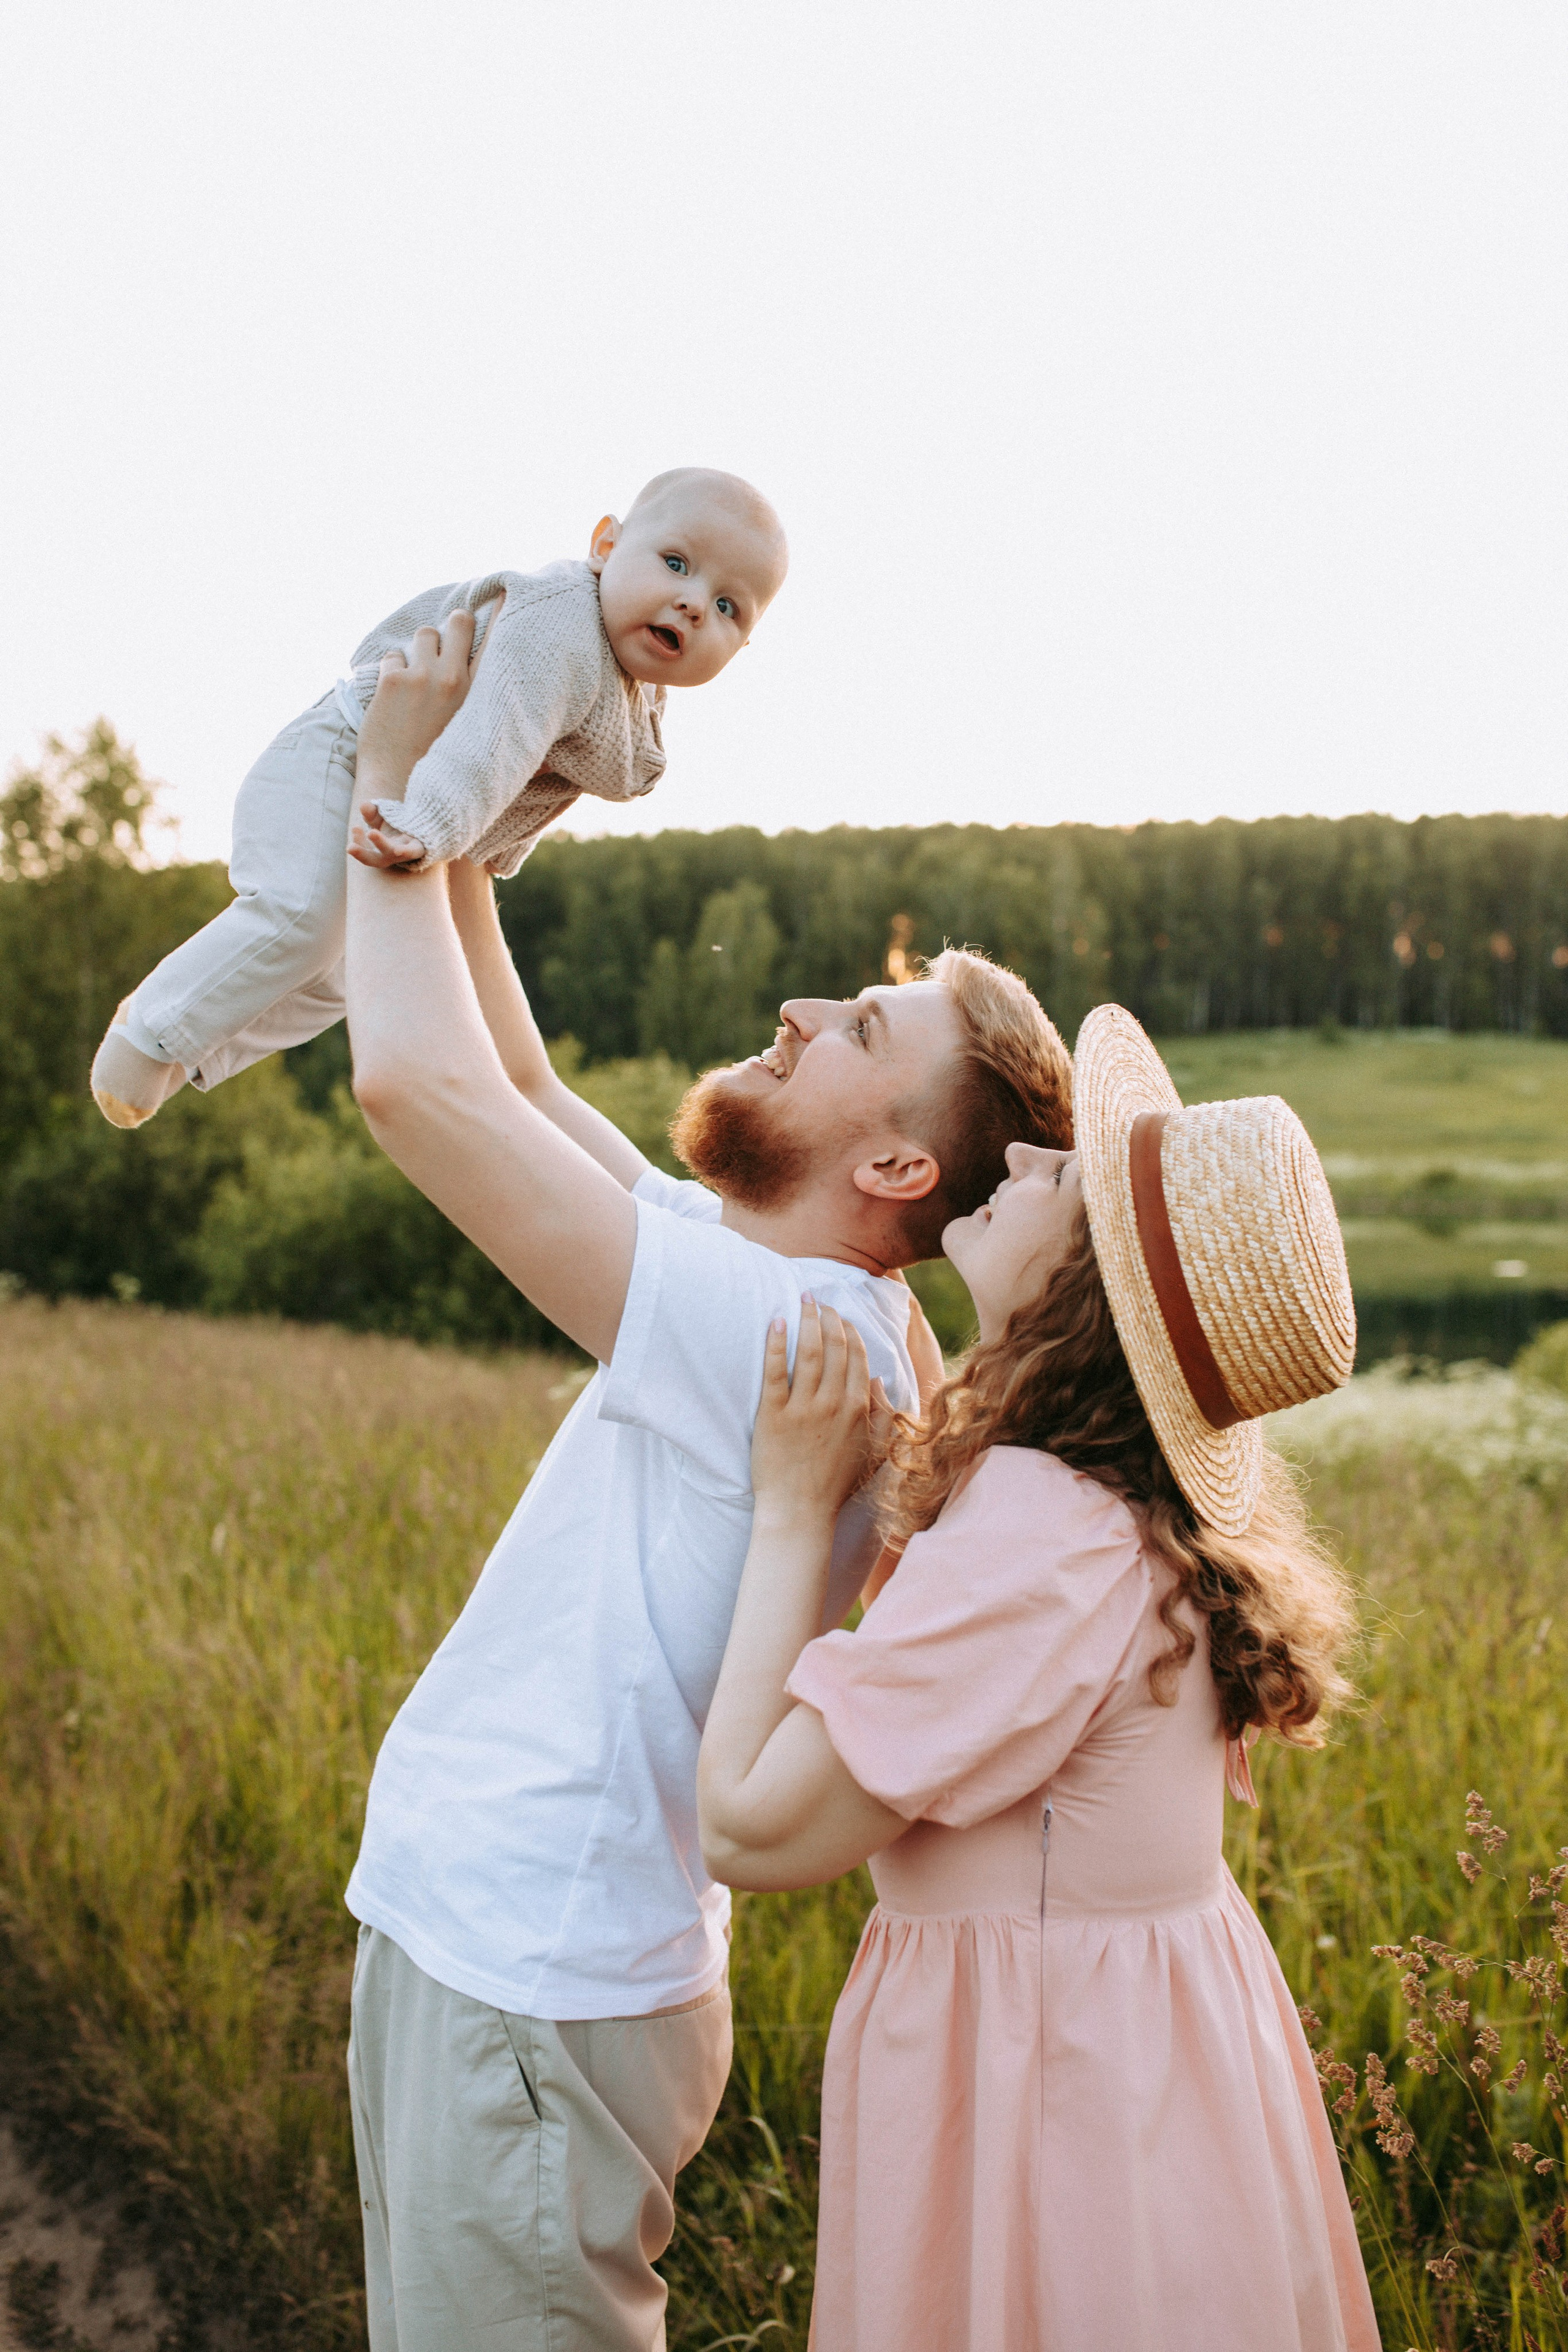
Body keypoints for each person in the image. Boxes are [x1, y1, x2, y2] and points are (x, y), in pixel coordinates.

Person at [328, 619, 1076, 2350]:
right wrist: (471, 820)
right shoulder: (798, 1293)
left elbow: (415, 1085)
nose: (805, 1006)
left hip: (532, 1974)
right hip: (494, 1945)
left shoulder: (798, 1331)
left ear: (896, 1162)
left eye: (859, 1024)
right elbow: (518, 1084)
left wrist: (384, 788)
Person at [698, 1003, 1381, 2351]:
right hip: (1152, 2076)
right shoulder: (1122, 1512)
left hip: (1051, 2097)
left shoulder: (1042, 1525)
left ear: (1092, 1290)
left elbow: (750, 1826)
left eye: (1059, 1177)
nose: (1019, 1163)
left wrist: (791, 1510)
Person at [90, 467, 788, 1128]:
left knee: (347, 971)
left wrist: (472, 845)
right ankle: (151, 1031)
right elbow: (491, 744)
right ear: (605, 545)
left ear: (744, 644)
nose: (694, 602)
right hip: (341, 754)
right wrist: (428, 826)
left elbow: (540, 775)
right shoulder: (561, 629)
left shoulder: (633, 696)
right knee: (305, 916)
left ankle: (193, 1052)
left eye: (728, 607)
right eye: (675, 563)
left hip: (399, 789)